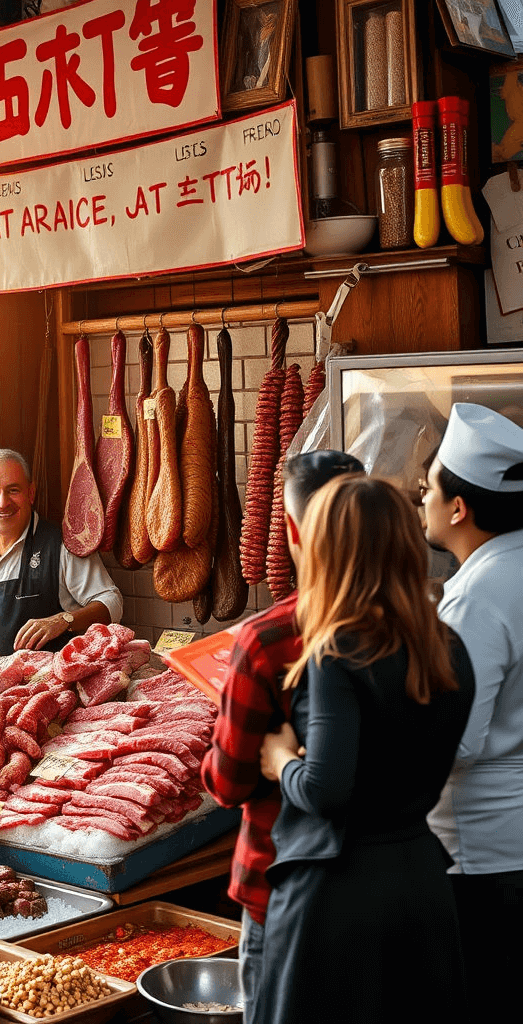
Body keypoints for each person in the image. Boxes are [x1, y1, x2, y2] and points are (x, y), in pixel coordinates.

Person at [256, 475, 475, 1024]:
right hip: (420, 880)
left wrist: (282, 761)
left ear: (329, 550)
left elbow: (328, 790)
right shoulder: (447, 646)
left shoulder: (338, 649)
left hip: (336, 897)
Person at [201, 450, 364, 1014]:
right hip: (393, 883)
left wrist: (276, 756)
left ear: (291, 530)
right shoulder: (425, 627)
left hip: (283, 880)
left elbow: (226, 782)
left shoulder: (270, 639)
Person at [420, 402, 523, 1014]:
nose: (422, 499)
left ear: (458, 508)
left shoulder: (480, 597)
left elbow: (452, 739)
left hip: (481, 855)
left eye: (428, 487)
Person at [0, 449, 122, 656]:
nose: (3, 503)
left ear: (31, 493)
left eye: (13, 490)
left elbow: (113, 602)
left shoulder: (61, 545)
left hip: (47, 686)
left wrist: (63, 620)